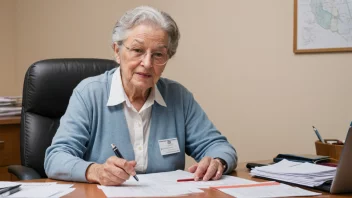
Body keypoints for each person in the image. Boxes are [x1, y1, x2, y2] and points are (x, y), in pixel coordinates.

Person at [44, 5, 237, 186]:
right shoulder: (89, 94)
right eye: (137, 50)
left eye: (158, 55)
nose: (147, 63)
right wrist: (95, 171)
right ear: (117, 51)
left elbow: (220, 147)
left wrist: (217, 161)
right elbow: (56, 158)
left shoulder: (178, 97)